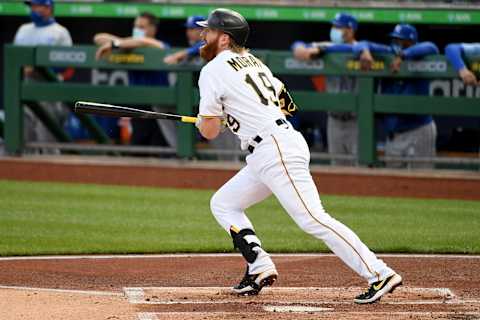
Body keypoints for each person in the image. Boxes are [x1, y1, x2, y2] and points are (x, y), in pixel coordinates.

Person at [194, 8, 402, 304]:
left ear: (224, 39)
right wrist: (236, 114)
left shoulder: (213, 69)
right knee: (225, 204)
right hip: (274, 145)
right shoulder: (257, 64)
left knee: (312, 218)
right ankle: (259, 266)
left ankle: (379, 272)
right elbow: (286, 104)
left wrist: (208, 121)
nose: (204, 35)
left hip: (274, 148)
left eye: (210, 31)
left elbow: (210, 132)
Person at [355, 24, 438, 169]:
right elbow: (361, 44)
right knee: (393, 182)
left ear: (411, 41)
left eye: (401, 40)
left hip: (419, 130)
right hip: (394, 135)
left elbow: (431, 47)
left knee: (423, 181)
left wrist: (403, 56)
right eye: (395, 39)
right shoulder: (388, 53)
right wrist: (364, 51)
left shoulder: (421, 54)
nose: (397, 43)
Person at [94, 12, 176, 149]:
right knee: (138, 148)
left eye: (142, 27)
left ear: (152, 29)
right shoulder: (125, 45)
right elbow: (98, 38)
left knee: (162, 150)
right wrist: (120, 44)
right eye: (136, 26)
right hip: (138, 106)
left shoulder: (159, 44)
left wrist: (116, 44)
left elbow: (150, 43)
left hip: (160, 106)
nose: (137, 29)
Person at [292, 13, 359, 166]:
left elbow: (352, 49)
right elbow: (297, 46)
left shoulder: (361, 48)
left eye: (338, 27)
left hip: (357, 121)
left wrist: (325, 49)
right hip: (334, 120)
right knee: (338, 167)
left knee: (359, 167)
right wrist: (301, 49)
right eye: (333, 26)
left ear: (350, 30)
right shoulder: (326, 48)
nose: (334, 30)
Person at [13, 0, 73, 149]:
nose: (33, 9)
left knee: (47, 140)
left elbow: (70, 67)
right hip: (25, 86)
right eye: (31, 6)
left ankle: (52, 171)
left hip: (49, 89)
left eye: (36, 6)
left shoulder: (60, 32)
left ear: (48, 7)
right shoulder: (23, 30)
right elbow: (13, 59)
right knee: (23, 139)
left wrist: (42, 69)